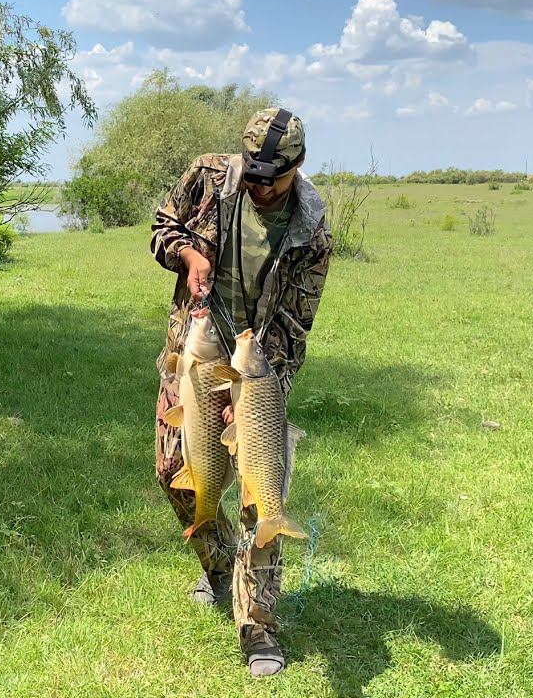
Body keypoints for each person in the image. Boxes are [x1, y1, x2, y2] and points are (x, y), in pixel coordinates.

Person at [149, 107, 332, 677]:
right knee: (175, 473)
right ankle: (221, 565)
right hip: (193, 356)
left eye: (270, 179)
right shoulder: (207, 177)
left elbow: (293, 329)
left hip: (258, 369)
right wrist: (189, 254)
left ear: (297, 168)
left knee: (261, 491)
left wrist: (250, 388)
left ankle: (258, 627)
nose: (258, 186)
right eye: (251, 174)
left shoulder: (313, 234)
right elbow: (162, 228)